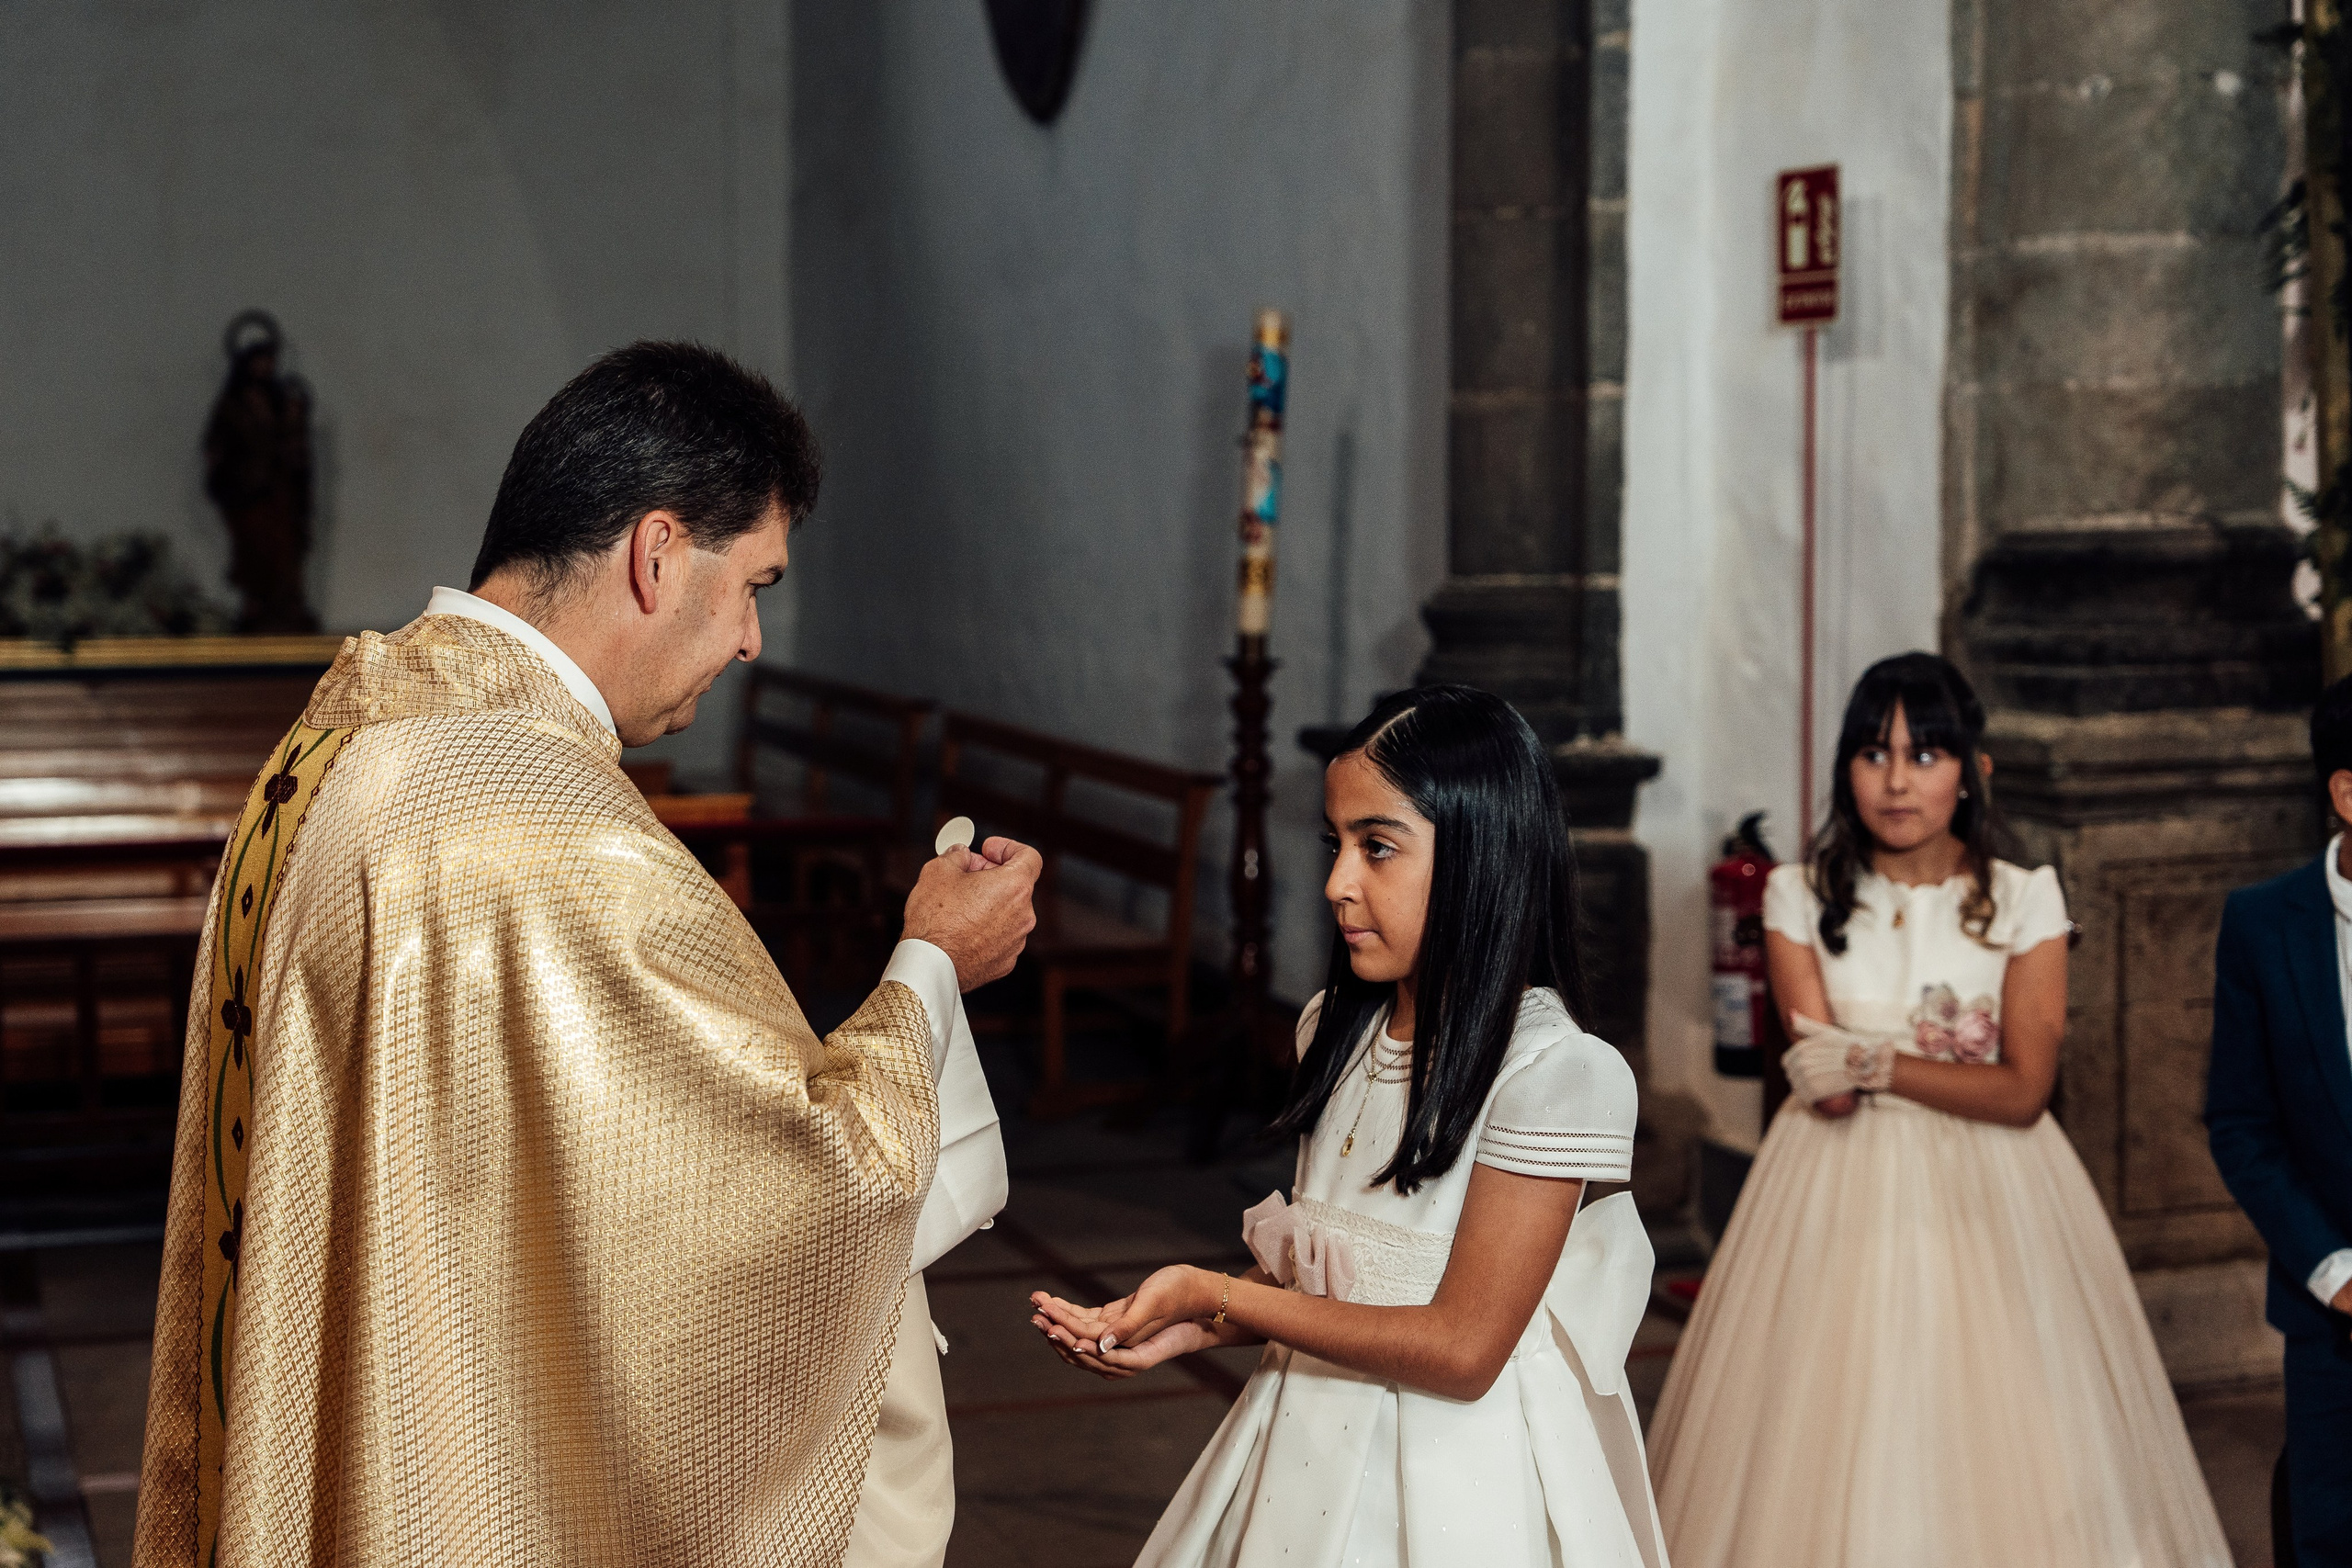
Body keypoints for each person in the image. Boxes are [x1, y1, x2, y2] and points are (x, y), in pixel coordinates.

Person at [132, 342, 1038, 1567]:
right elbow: (799, 1180)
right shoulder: (539, 824)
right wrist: (932, 959)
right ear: (658, 554)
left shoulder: (349, 729)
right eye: (755, 581)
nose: (755, 638)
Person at [1029, 685, 1667, 1568]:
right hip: (1302, 1437)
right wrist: (1203, 1322)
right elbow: (1338, 1263)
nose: (1337, 883)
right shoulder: (1337, 1028)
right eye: (1336, 845)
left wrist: (1214, 1293)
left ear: (1483, 853)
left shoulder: (1554, 1071)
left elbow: (1464, 1347)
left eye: (1378, 848)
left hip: (1457, 1475)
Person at [1645, 651, 2228, 1566]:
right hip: (1825, 1189)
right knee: (1817, 1409)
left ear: (1969, 772)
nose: (1896, 779)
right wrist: (1906, 1064)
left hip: (1995, 1191)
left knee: (2004, 1418)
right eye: (1874, 753)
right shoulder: (1799, 895)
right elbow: (1819, 1087)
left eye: (1924, 755)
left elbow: (2021, 1091)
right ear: (1845, 766)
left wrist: (1871, 1058)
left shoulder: (2024, 899)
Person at [2206, 671, 2352, 1568]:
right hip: (2331, 1317)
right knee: (2327, 1535)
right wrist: (2334, 1273)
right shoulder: (2263, 927)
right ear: (2346, 791)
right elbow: (2240, 1123)